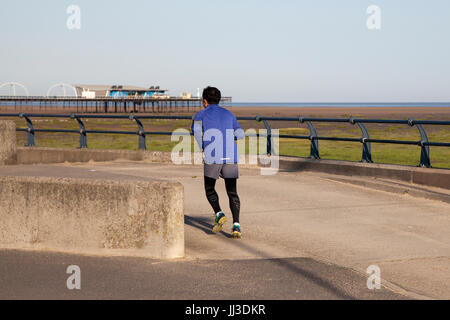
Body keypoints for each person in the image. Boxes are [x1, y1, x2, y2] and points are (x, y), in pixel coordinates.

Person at [192, 86, 244, 239]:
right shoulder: (229, 114)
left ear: (205, 101)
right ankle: (236, 225)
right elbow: (240, 134)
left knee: (209, 188)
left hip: (212, 155)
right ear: (219, 99)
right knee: (232, 192)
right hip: (230, 156)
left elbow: (195, 132)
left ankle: (219, 213)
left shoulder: (200, 114)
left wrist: (202, 145)